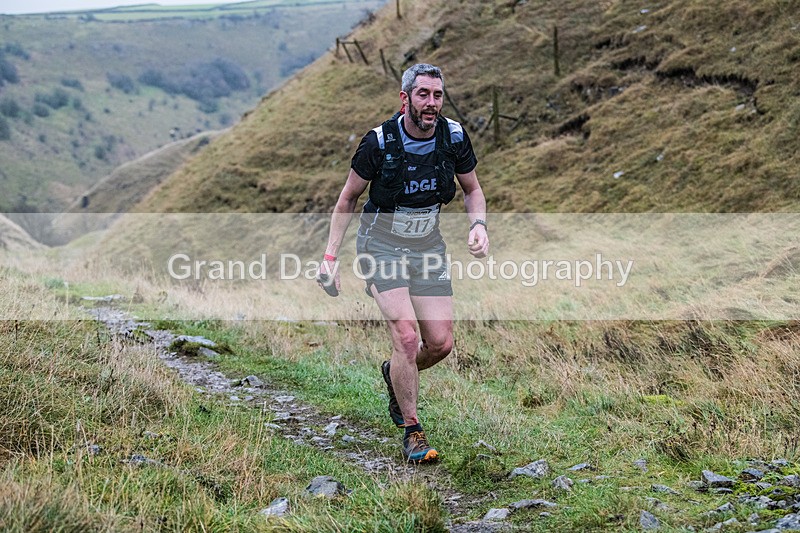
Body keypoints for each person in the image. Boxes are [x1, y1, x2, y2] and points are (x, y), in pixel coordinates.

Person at [317, 63, 488, 463]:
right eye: (423, 94)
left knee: (440, 344)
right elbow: (347, 199)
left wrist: (478, 225)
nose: (431, 103)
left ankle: (394, 373)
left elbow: (473, 190)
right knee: (407, 338)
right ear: (405, 97)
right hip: (381, 244)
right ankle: (413, 432)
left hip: (427, 247)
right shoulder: (379, 142)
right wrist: (330, 256)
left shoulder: (453, 136)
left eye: (437, 95)